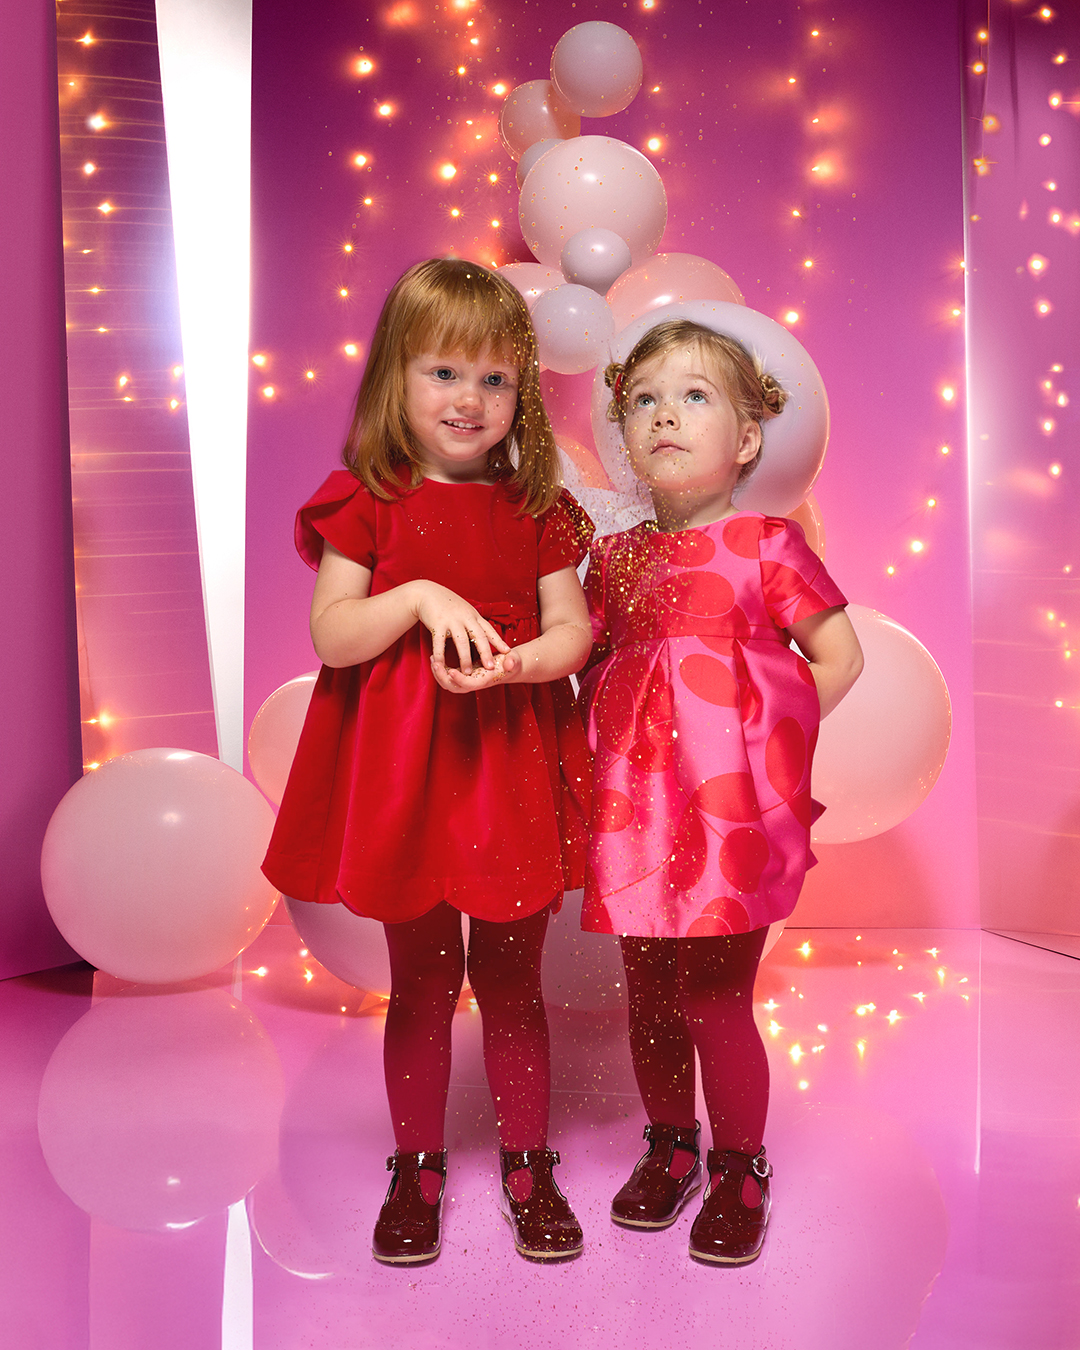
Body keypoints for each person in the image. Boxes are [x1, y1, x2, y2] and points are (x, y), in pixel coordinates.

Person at [263, 258, 594, 1265]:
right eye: (445, 372)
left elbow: (573, 630)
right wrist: (416, 598)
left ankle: (528, 1165)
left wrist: (522, 663)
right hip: (406, 778)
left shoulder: (536, 507)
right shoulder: (368, 499)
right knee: (419, 981)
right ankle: (418, 1167)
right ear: (394, 378)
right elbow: (334, 636)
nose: (470, 398)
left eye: (495, 379)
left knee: (514, 980)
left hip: (505, 766)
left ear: (521, 393)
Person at [580, 317, 863, 1265]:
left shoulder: (766, 544)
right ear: (625, 434)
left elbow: (838, 657)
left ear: (745, 439)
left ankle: (742, 1164)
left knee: (715, 997)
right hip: (634, 816)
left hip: (727, 816)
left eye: (693, 396)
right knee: (649, 997)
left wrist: (766, 762)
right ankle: (671, 1144)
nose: (665, 416)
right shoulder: (613, 560)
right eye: (644, 401)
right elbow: (591, 670)